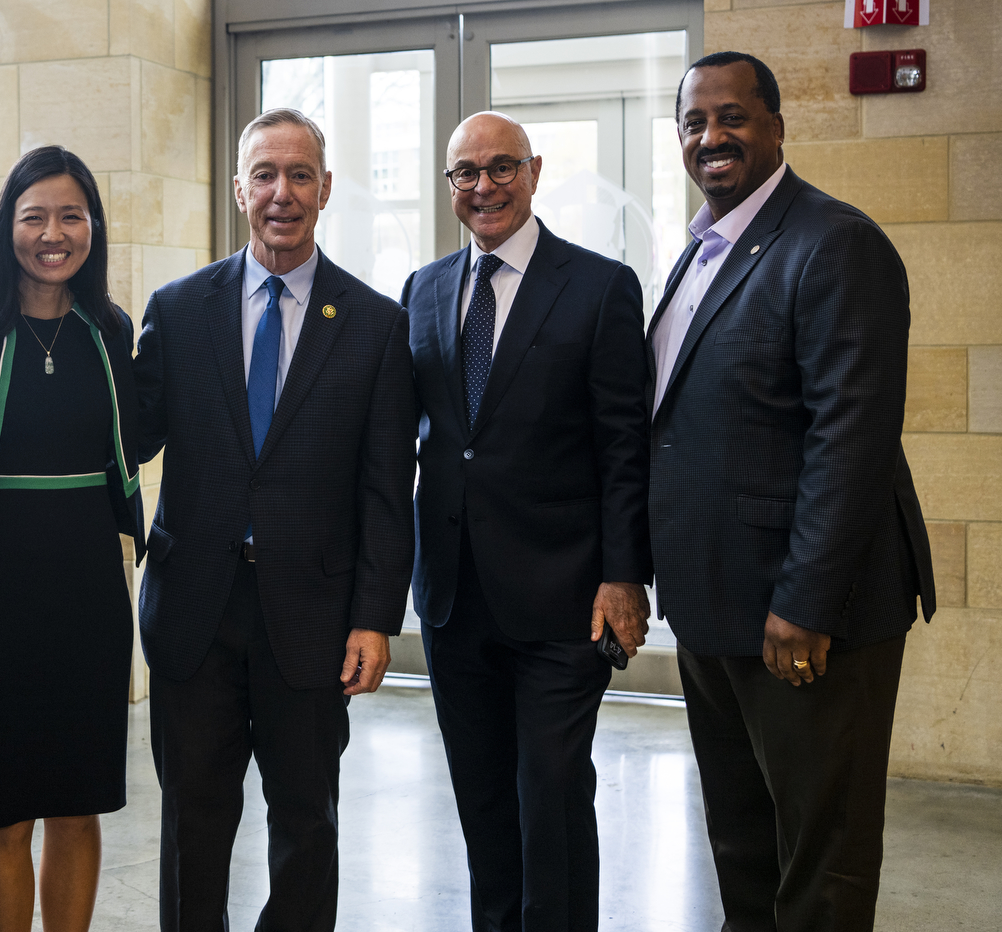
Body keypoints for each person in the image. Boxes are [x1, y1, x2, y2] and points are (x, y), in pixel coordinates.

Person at [649, 52, 935, 932]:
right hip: (714, 609)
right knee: (742, 848)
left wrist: (804, 604)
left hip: (804, 620)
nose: (712, 137)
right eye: (695, 123)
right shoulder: (701, 253)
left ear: (776, 126)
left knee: (823, 863)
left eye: (732, 117)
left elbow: (850, 438)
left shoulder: (835, 243)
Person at [133, 107, 415, 932]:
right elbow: (128, 433)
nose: (281, 193)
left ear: (324, 190)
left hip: (314, 617)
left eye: (299, 176)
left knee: (306, 820)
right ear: (239, 189)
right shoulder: (178, 310)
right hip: (195, 610)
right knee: (194, 820)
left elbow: (387, 492)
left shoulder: (374, 325)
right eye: (265, 175)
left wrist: (373, 620)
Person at [402, 112, 652, 932]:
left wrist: (625, 576)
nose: (483, 187)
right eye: (464, 173)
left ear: (535, 171)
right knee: (480, 801)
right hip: (452, 598)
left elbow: (624, 447)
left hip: (563, 597)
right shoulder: (425, 288)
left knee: (549, 793)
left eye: (501, 167)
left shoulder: (600, 286)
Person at [0, 146, 143, 932]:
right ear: (3, 228)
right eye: (34, 217)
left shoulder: (108, 327)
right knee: (5, 811)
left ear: (94, 227)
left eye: (72, 216)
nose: (54, 233)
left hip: (87, 586)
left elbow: (139, 434)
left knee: (80, 807)